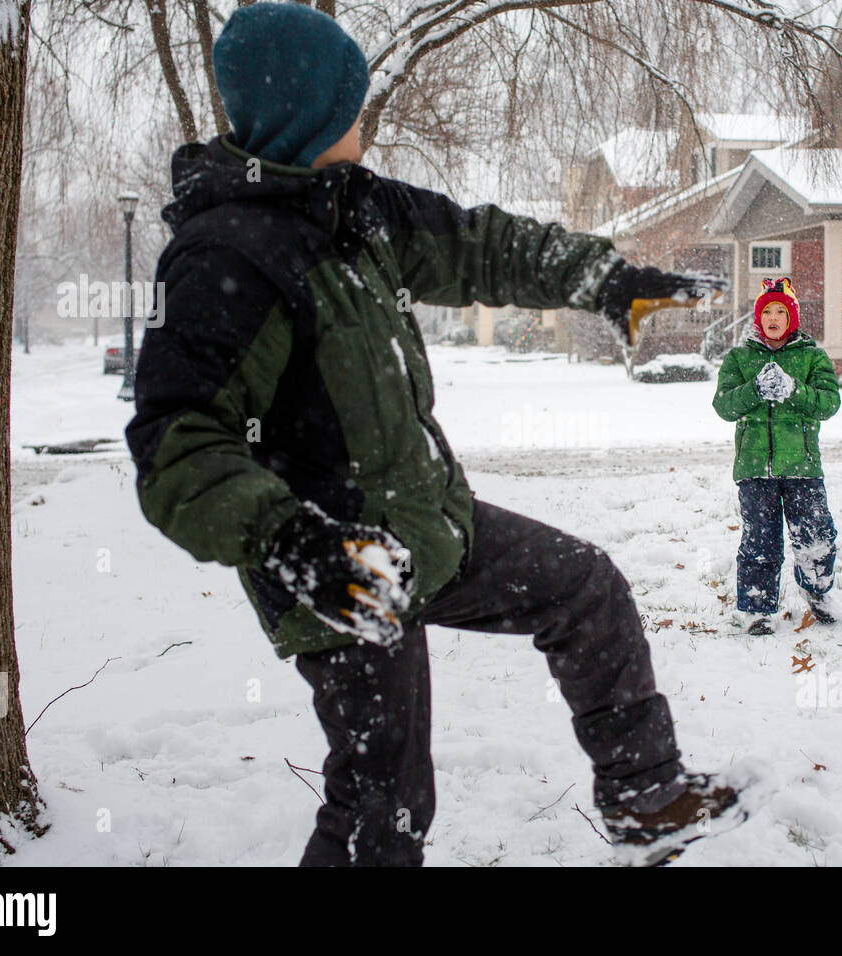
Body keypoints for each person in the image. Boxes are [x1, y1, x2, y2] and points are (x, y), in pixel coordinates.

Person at [125, 2, 738, 866]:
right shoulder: (227, 256)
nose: (364, 120)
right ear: (304, 116)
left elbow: (485, 247)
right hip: (338, 567)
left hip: (423, 521)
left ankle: (649, 798)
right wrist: (296, 544)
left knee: (585, 589)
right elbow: (177, 444)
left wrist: (610, 280)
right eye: (351, 105)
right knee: (386, 799)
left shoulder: (356, 208)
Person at [711, 277, 842, 635]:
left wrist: (793, 389)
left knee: (815, 535)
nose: (772, 317)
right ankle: (758, 608)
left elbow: (828, 403)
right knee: (760, 540)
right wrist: (754, 390)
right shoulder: (740, 358)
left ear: (792, 318)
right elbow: (723, 405)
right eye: (766, 311)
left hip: (803, 467)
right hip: (755, 470)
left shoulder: (812, 357)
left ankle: (818, 593)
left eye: (779, 312)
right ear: (758, 318)